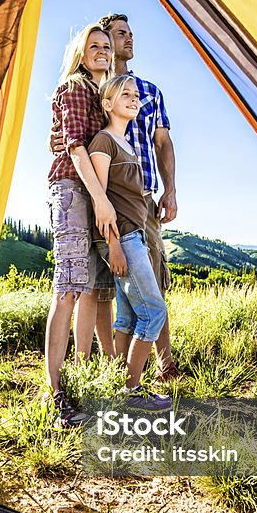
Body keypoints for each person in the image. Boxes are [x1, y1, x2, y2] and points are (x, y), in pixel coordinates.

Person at [94, 12, 180, 380]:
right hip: (102, 198)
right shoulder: (94, 90)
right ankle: (113, 370)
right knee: (105, 286)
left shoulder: (150, 92)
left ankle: (164, 364)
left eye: (131, 33)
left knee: (153, 276)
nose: (129, 39)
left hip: (143, 197)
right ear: (104, 40)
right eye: (120, 34)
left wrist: (171, 189)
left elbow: (163, 142)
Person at [44, 23, 117, 426]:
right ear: (81, 51)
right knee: (69, 289)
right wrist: (101, 200)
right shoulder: (75, 87)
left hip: (92, 193)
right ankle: (55, 395)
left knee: (89, 289)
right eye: (94, 46)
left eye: (106, 46)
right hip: (73, 190)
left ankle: (82, 382)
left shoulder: (100, 94)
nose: (102, 51)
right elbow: (72, 146)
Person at [88, 75, 172, 410]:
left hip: (133, 235)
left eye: (136, 94)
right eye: (125, 93)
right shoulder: (103, 143)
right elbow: (102, 200)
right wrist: (115, 246)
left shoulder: (127, 144)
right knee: (153, 311)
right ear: (107, 104)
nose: (134, 98)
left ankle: (115, 388)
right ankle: (133, 390)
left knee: (127, 317)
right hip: (122, 239)